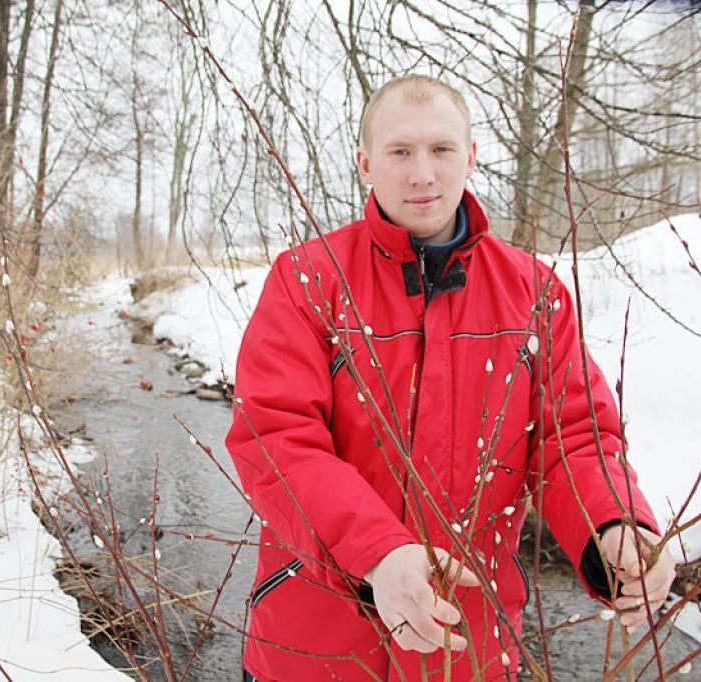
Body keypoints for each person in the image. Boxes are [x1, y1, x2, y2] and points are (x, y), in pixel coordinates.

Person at [225, 74, 675, 681]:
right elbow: (275, 440)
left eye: (440, 149)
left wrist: (615, 526)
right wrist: (379, 556)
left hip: (470, 653)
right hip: (315, 652)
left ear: (471, 155)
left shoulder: (533, 295)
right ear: (365, 162)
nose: (422, 174)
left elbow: (573, 438)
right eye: (400, 152)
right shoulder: (308, 281)